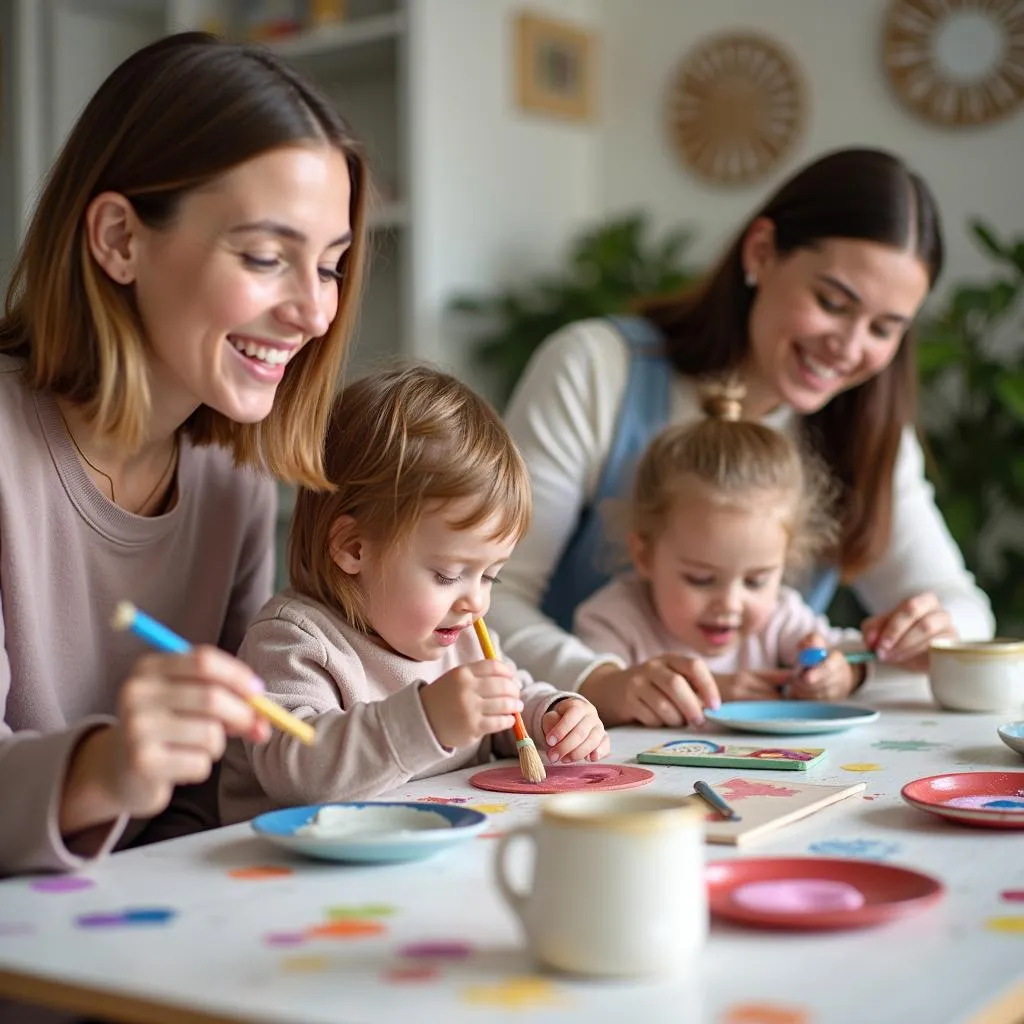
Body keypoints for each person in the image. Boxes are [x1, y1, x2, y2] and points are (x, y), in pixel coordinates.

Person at [0, 32, 370, 875]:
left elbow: (218, 794)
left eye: (332, 265)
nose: (315, 313)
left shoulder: (232, 482)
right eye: (267, 257)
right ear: (120, 239)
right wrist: (110, 768)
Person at [490, 147, 994, 727]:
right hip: (578, 748)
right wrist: (599, 681)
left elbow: (962, 610)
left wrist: (920, 636)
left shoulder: (865, 428)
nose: (850, 348)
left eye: (884, 329)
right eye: (832, 302)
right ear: (761, 253)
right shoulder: (596, 369)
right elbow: (491, 595)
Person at [219, 366, 609, 823]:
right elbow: (298, 772)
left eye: (490, 577)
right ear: (354, 548)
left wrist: (555, 716)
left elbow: (511, 702)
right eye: (448, 574)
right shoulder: (292, 641)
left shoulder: (460, 634)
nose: (475, 602)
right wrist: (426, 720)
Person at [573, 383, 871, 727]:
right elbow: (585, 704)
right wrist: (713, 690)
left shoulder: (781, 618)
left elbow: (850, 652)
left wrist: (841, 674)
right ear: (645, 555)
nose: (730, 603)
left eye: (756, 581)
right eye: (701, 579)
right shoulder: (613, 621)